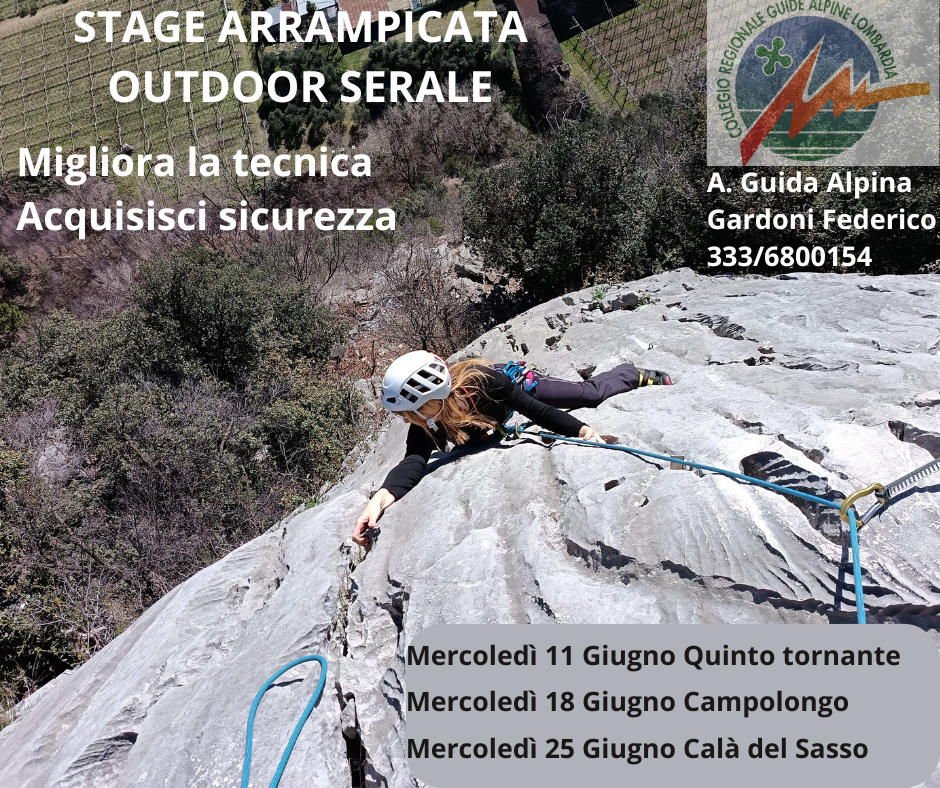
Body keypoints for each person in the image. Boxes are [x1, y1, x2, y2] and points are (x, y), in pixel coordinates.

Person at [351, 351, 672, 546]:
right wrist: (380, 498)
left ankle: (630, 373)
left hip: (518, 388)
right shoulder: (426, 419)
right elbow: (414, 459)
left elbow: (537, 411)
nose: (405, 419)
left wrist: (583, 429)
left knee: (589, 395)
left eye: (408, 411)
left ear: (430, 401)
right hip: (487, 420)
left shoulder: (485, 382)